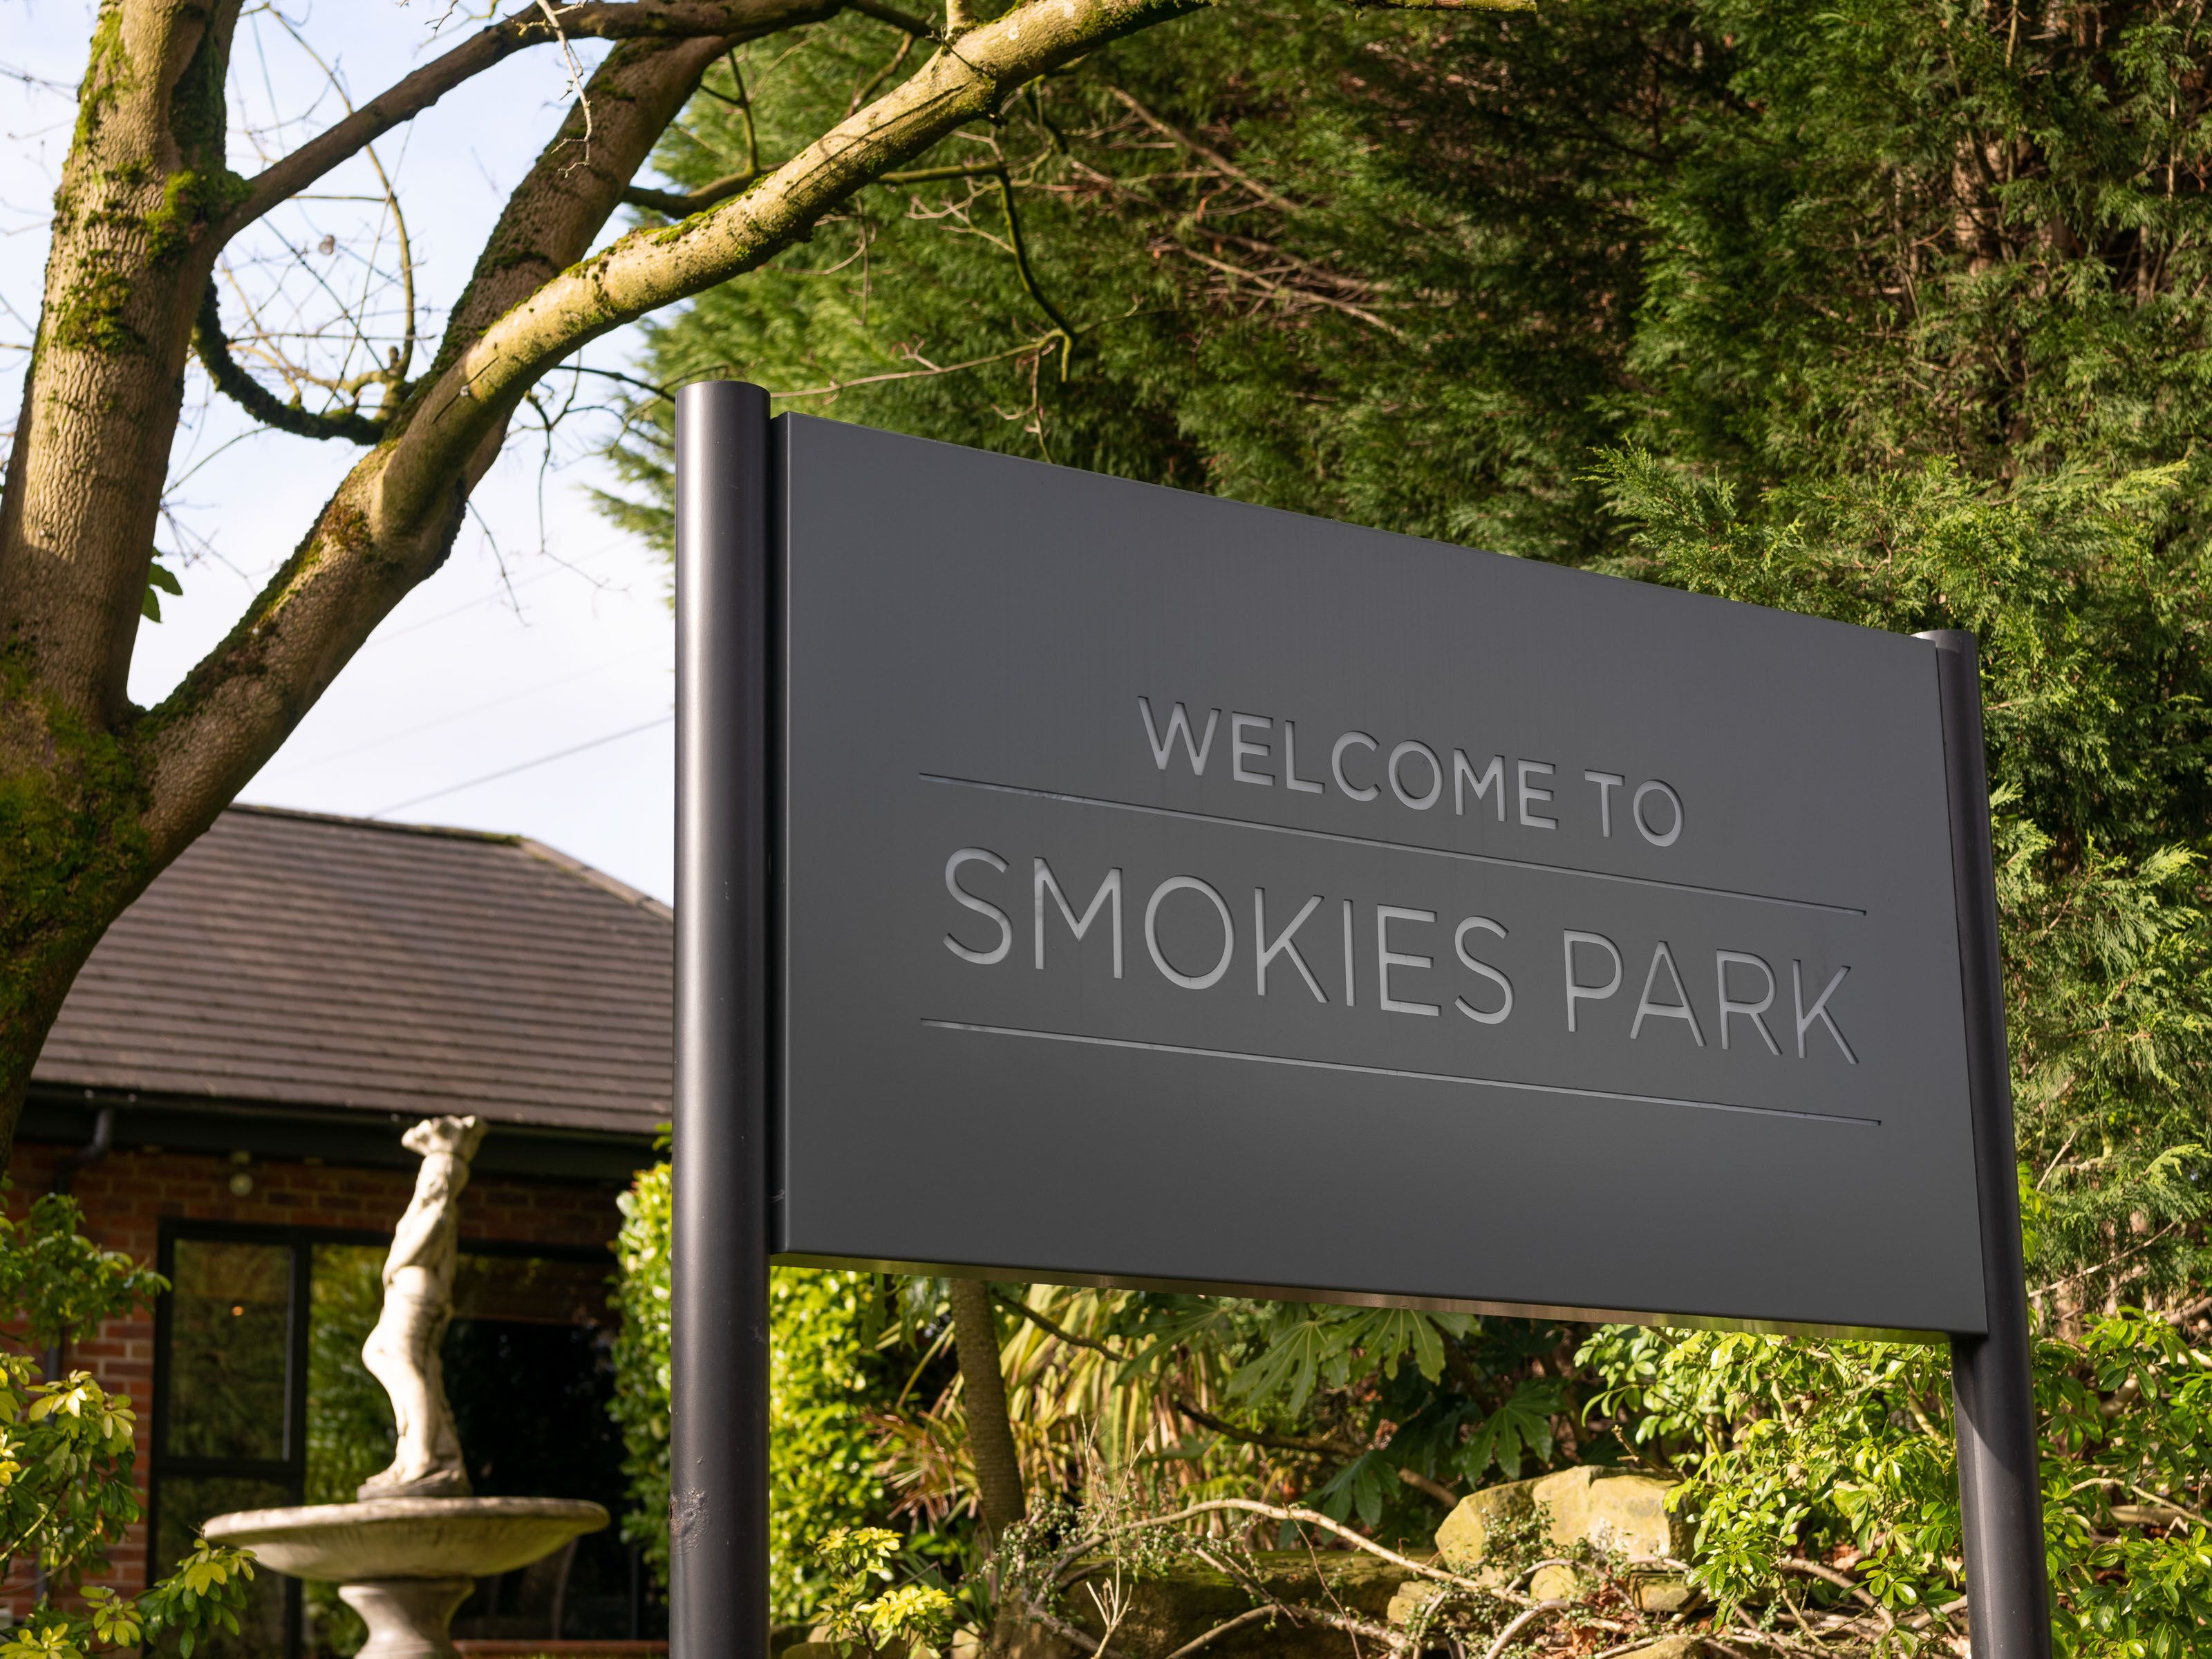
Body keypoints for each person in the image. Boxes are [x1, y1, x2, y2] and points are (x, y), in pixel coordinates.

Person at [358, 1114, 487, 1498]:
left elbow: (415, 1248)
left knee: (405, 1363)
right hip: (410, 1292)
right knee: (383, 1355)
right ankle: (419, 1450)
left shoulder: (439, 1211)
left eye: (433, 1174)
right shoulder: (429, 1207)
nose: (426, 1181)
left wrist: (391, 1269)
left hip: (415, 1293)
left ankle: (422, 1458)